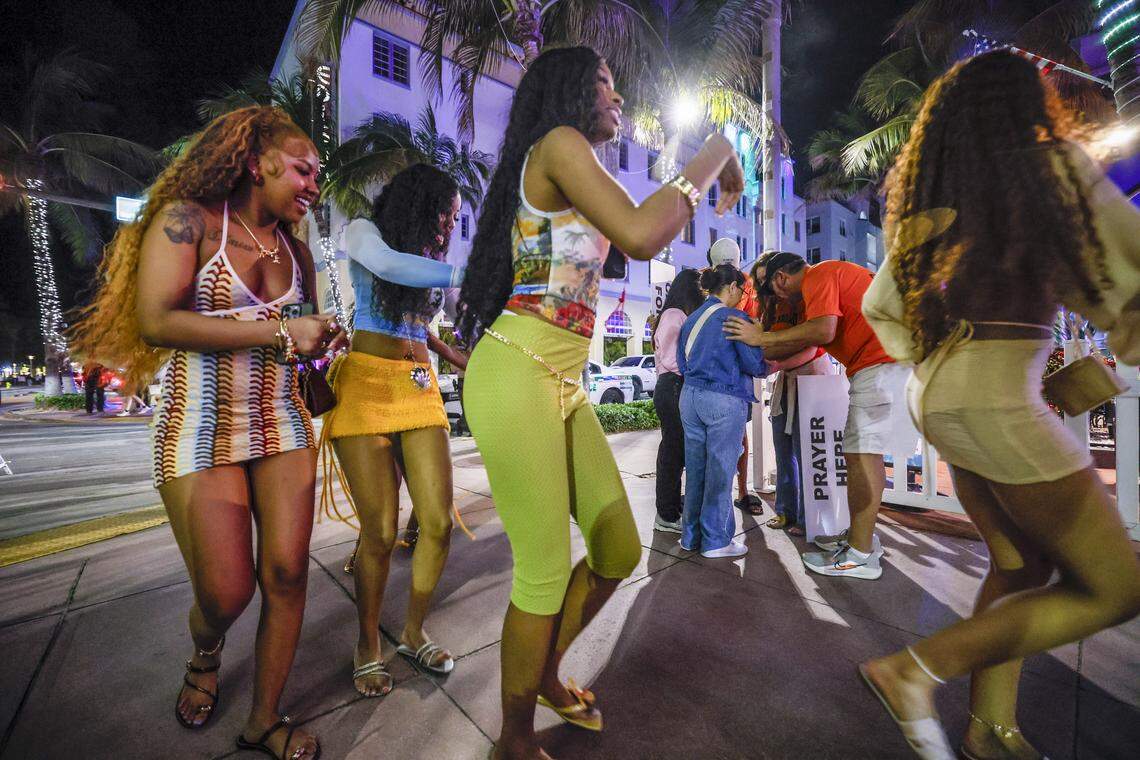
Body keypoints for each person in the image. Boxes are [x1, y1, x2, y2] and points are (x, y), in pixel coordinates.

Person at [455, 46, 744, 760]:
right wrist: (716, 150)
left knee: (617, 546)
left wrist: (704, 166)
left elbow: (638, 223)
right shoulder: (558, 144)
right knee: (544, 572)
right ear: (572, 92)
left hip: (560, 381)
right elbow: (645, 235)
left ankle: (546, 672)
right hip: (518, 371)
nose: (617, 97)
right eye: (606, 85)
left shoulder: (572, 158)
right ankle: (513, 740)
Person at [856, 51, 1140, 760]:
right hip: (994, 398)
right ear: (1024, 105)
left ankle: (991, 730)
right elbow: (1122, 276)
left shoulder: (936, 210)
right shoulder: (1051, 170)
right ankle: (912, 672)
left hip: (942, 395)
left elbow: (878, 307)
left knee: (1018, 568)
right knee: (1118, 587)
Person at [70, 106, 345, 760]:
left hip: (282, 421)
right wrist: (282, 330)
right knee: (226, 591)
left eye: (319, 175)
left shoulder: (297, 250)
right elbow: (159, 320)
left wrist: (318, 344)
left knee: (285, 574)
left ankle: (265, 720)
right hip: (198, 423)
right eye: (303, 169)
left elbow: (296, 343)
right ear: (257, 162)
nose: (314, 184)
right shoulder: (188, 221)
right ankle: (206, 651)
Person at [321, 164, 467, 696]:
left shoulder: (426, 259)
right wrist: (459, 275)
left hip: (419, 385)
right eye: (445, 214)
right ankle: (367, 643)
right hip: (366, 386)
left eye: (454, 219)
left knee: (437, 520)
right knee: (380, 531)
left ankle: (411, 630)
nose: (449, 226)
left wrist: (452, 351)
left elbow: (420, 315)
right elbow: (387, 267)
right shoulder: (365, 232)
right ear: (419, 204)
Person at [726, 248, 906, 580]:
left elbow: (823, 331)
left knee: (859, 458)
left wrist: (763, 337)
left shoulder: (818, 276)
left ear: (781, 279)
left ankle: (860, 555)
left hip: (878, 363)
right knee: (865, 457)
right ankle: (862, 541)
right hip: (885, 361)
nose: (773, 299)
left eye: (768, 290)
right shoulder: (831, 274)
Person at [676, 264, 768, 558]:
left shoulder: (691, 320)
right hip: (723, 399)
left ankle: (690, 537)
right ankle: (716, 541)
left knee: (696, 470)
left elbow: (681, 361)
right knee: (720, 472)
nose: (743, 295)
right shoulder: (734, 318)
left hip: (690, 396)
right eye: (742, 289)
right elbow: (755, 365)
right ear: (731, 287)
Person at [751, 253, 830, 537]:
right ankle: (786, 510)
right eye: (761, 282)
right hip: (784, 382)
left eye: (768, 279)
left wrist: (775, 361)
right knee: (783, 450)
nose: (768, 287)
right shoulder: (771, 305)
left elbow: (814, 343)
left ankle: (811, 521)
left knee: (808, 453)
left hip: (812, 381)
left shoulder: (808, 296)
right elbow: (766, 341)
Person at [707, 239, 764, 516]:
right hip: (716, 370)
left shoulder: (748, 286)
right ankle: (726, 493)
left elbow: (753, 326)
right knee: (718, 437)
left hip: (734, 369)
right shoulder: (706, 281)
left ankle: (740, 491)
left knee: (737, 434)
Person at [650, 267, 704, 533]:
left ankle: (670, 508)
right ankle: (667, 515)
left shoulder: (674, 314)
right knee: (673, 453)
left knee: (675, 451)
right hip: (673, 387)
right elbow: (673, 360)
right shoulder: (675, 315)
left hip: (672, 387)